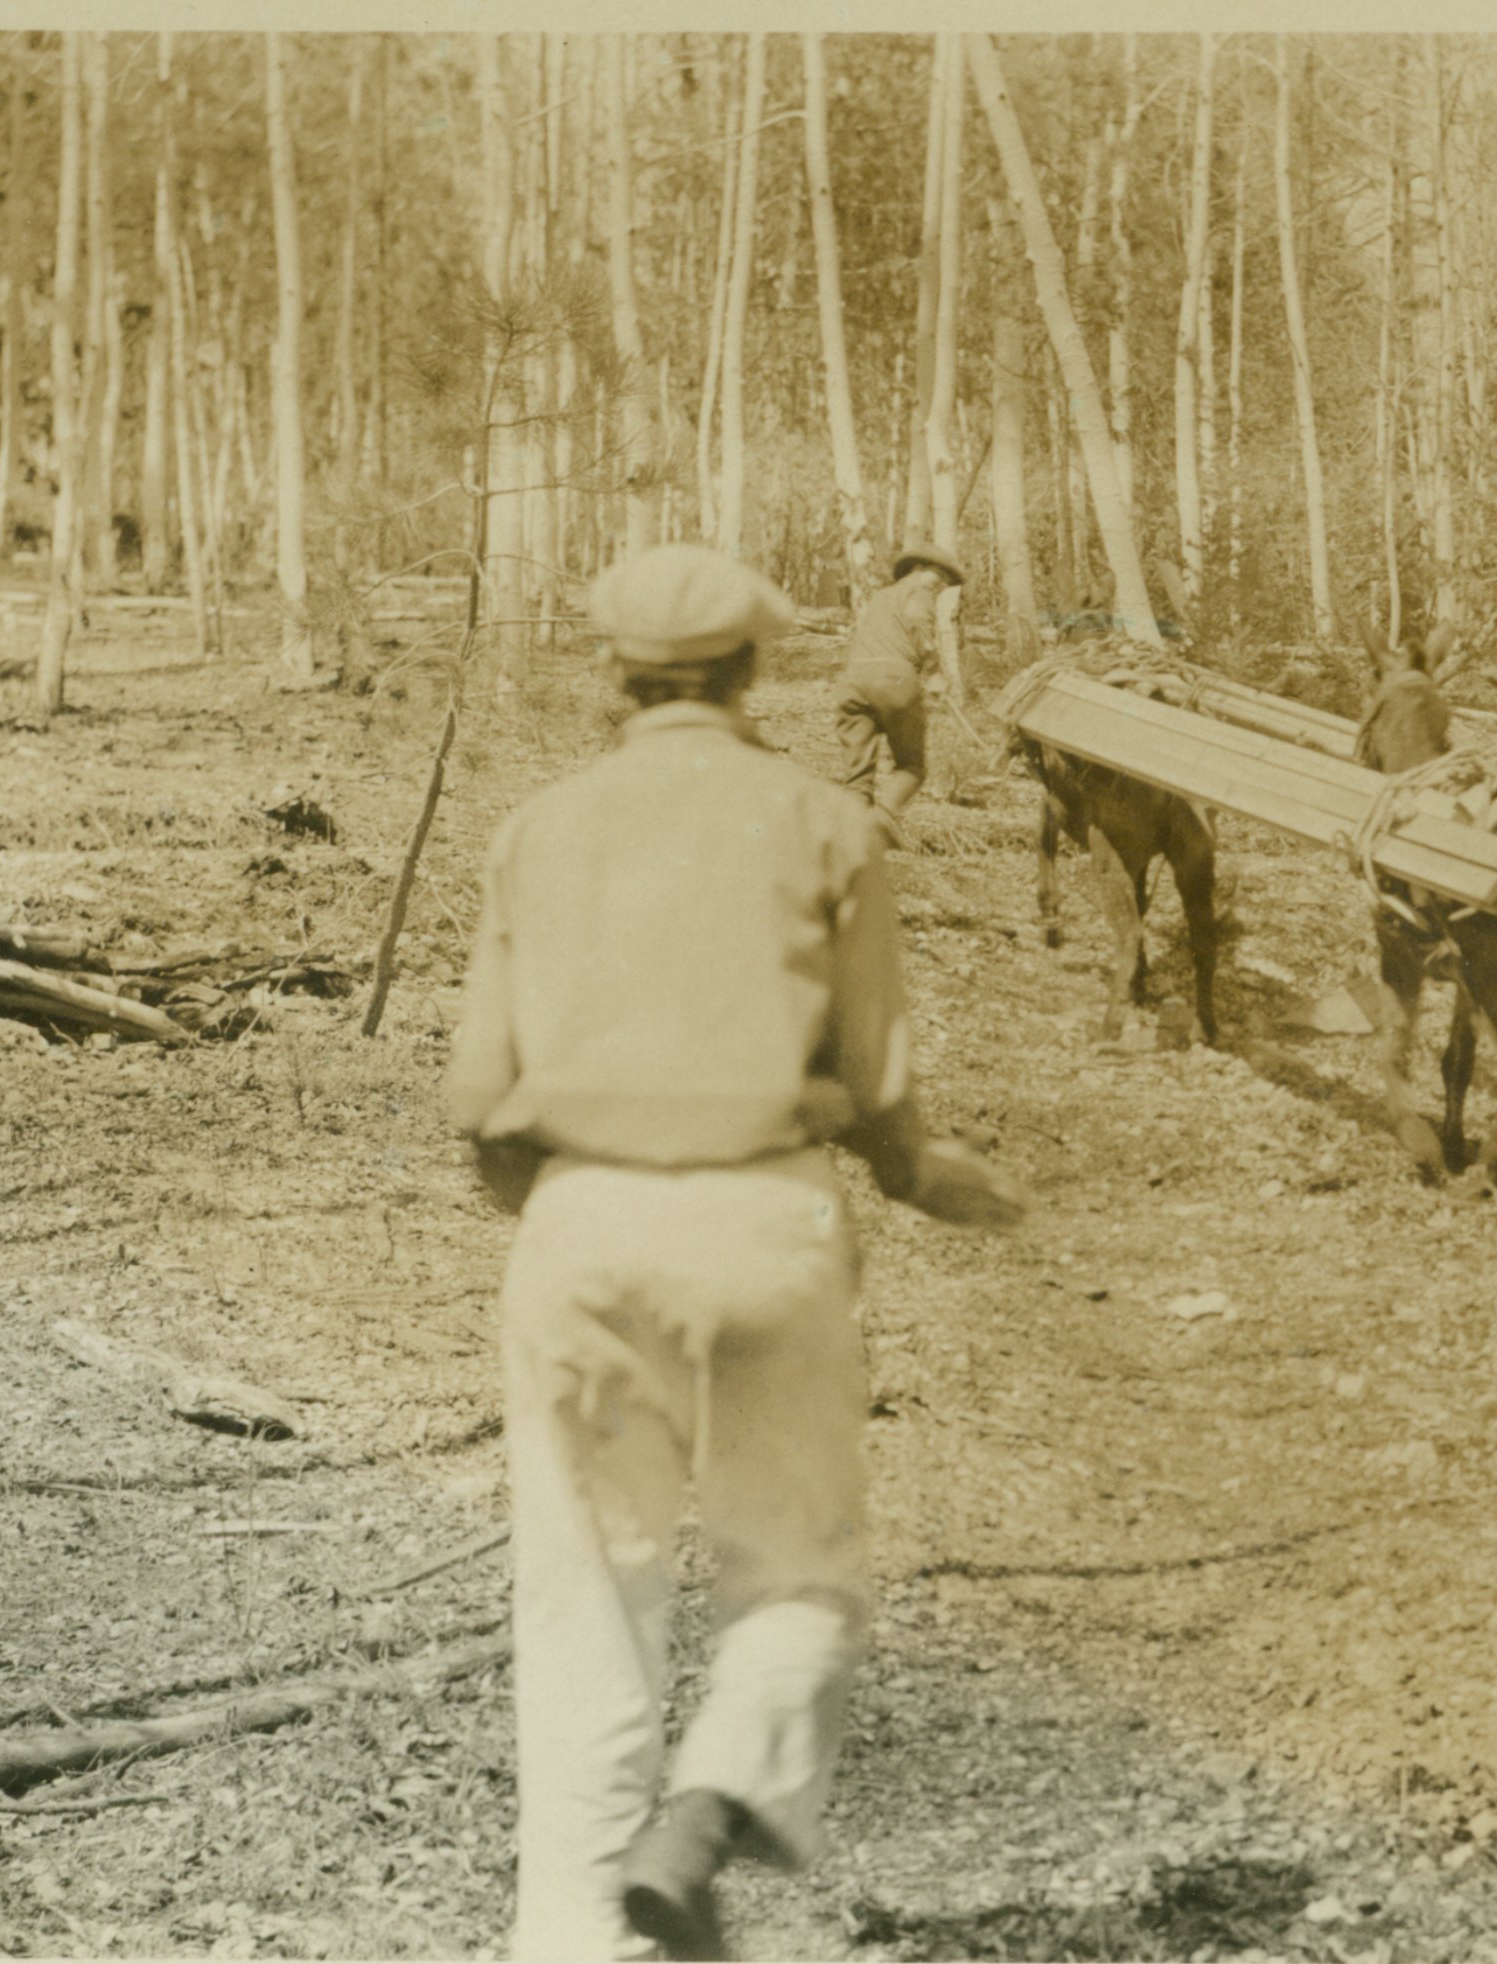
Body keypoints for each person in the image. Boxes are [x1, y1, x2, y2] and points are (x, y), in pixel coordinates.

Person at [449, 542, 1028, 1962]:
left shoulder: (538, 829)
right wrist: (924, 1176)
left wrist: (573, 1191)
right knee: (800, 1574)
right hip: (769, 1216)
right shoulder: (826, 823)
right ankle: (713, 1799)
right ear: (761, 671)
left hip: (581, 1223)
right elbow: (883, 1089)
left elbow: (473, 1106)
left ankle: (575, 1946)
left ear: (611, 673)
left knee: (587, 1597)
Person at [832, 544, 965, 833]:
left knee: (858, 778)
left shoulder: (881, 597)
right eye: (937, 576)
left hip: (853, 681)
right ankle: (882, 820)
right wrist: (934, 673)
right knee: (912, 767)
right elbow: (919, 628)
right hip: (894, 681)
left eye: (944, 581)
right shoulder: (919, 592)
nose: (940, 584)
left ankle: (853, 835)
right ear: (916, 570)